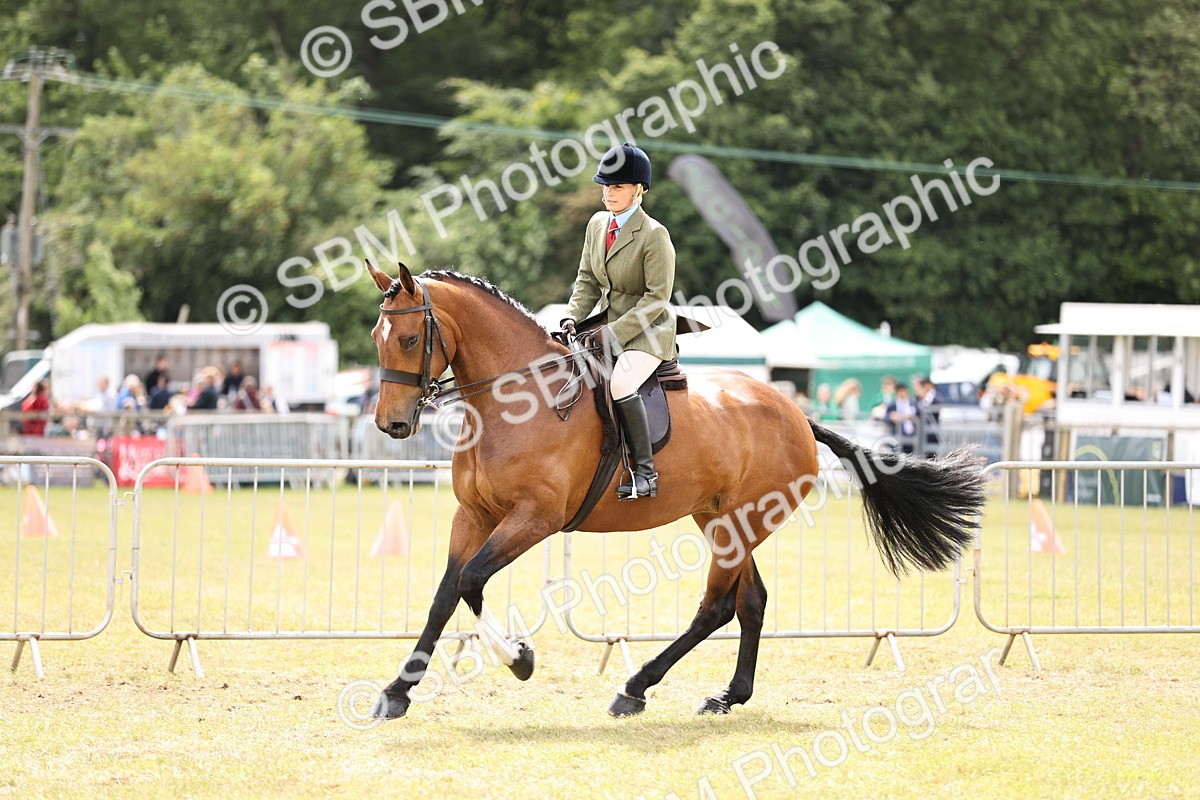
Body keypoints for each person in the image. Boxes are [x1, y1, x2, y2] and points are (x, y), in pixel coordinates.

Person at [560, 142, 676, 501]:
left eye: (618, 186)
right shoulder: (597, 225)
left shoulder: (655, 235)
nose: (608, 193)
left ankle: (645, 472)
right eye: (606, 185)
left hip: (648, 332)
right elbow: (587, 280)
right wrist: (571, 316)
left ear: (639, 189)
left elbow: (657, 298)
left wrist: (614, 332)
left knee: (621, 384)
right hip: (605, 324)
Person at [885, 383, 917, 454]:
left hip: (911, 437)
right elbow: (885, 417)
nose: (902, 394)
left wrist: (912, 416)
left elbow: (919, 414)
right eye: (900, 391)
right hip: (896, 436)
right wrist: (891, 416)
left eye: (904, 391)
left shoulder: (913, 403)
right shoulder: (892, 405)